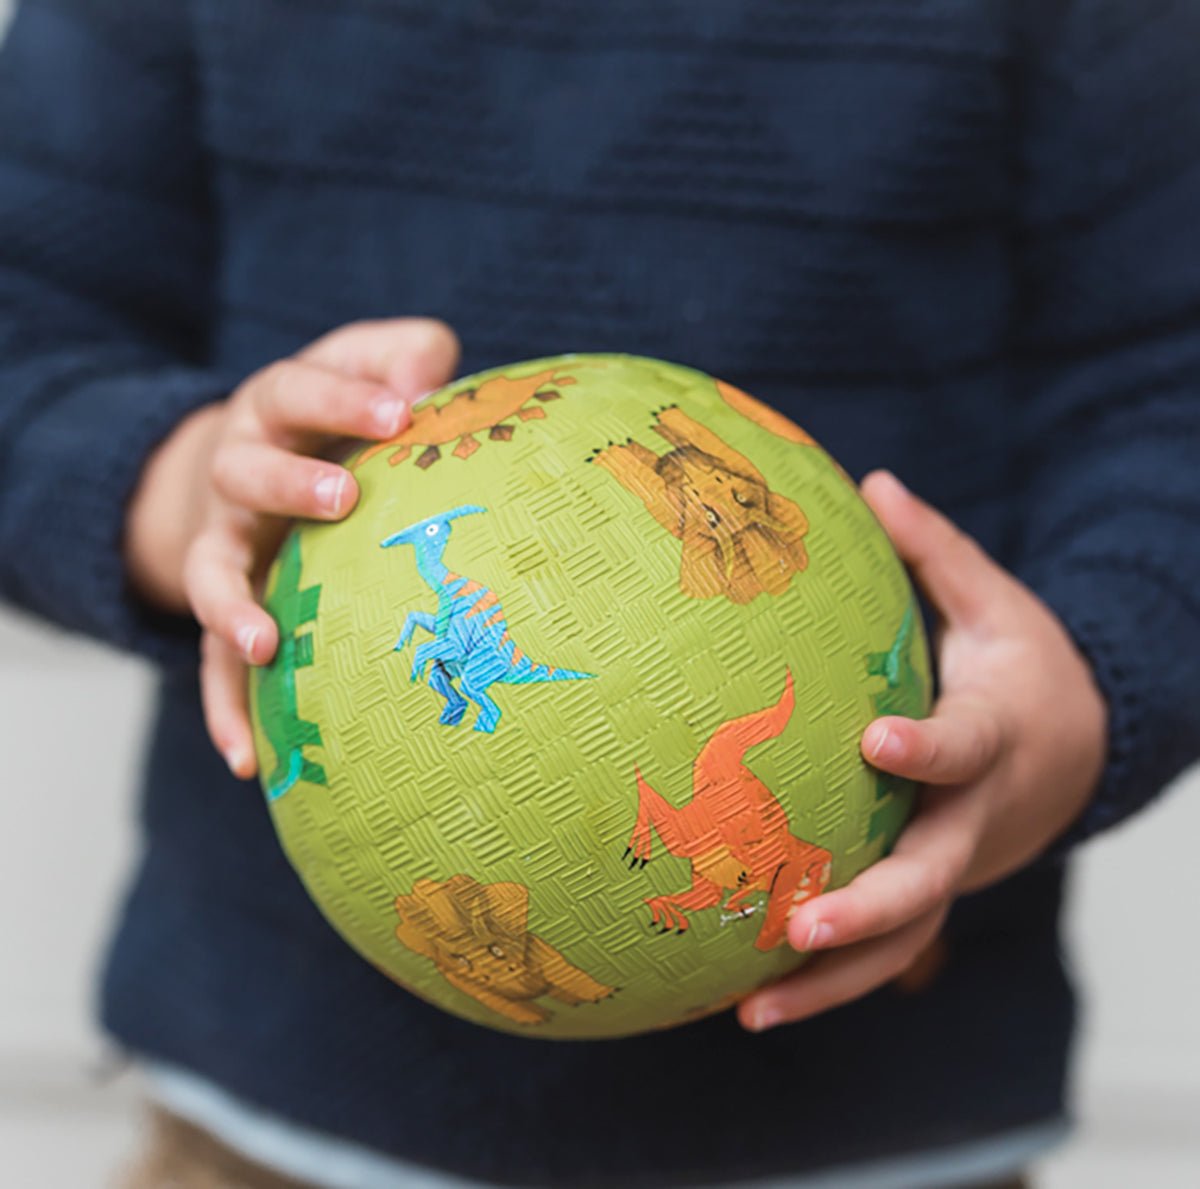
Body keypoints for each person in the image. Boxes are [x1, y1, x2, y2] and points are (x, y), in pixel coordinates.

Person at [1, 1, 1197, 1186]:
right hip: (269, 1105)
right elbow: (26, 337)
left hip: (890, 1119)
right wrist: (189, 492)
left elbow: (1169, 384)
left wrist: (1080, 703)